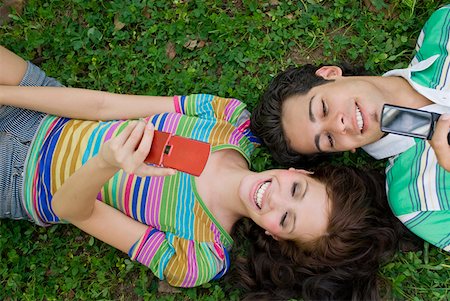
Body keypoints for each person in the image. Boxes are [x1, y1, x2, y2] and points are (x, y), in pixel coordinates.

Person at [1, 45, 401, 300]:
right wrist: (6, 96)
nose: (274, 197)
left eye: (285, 218)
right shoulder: (228, 120)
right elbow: (105, 106)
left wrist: (105, 163)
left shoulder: (199, 255)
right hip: (50, 108)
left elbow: (71, 209)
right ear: (299, 170)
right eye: (296, 190)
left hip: (19, 177)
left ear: (276, 236)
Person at [251, 5, 450, 252]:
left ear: (331, 74)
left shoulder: (445, 29)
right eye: (328, 139)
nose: (339, 125)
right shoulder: (414, 199)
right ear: (347, 150)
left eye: (323, 108)